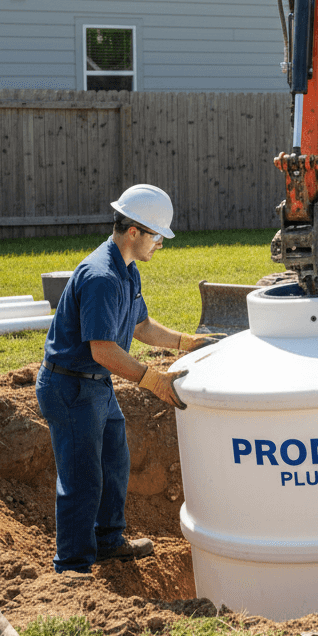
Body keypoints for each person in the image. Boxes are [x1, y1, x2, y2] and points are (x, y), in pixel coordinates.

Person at [36, 183, 213, 577]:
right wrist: (154, 380)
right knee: (81, 479)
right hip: (70, 387)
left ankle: (108, 541)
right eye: (157, 236)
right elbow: (103, 350)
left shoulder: (126, 269)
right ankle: (73, 566)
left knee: (114, 461)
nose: (160, 245)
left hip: (95, 385)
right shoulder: (102, 276)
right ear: (134, 232)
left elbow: (141, 325)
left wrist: (187, 342)